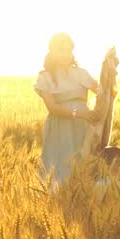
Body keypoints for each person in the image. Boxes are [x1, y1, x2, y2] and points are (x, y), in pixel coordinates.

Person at [34, 32, 100, 188]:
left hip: (82, 126)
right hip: (60, 128)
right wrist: (80, 114)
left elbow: (104, 93)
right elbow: (52, 107)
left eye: (69, 50)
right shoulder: (46, 77)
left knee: (83, 165)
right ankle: (57, 202)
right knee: (59, 167)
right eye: (61, 50)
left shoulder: (81, 74)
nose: (66, 54)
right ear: (52, 52)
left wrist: (109, 70)